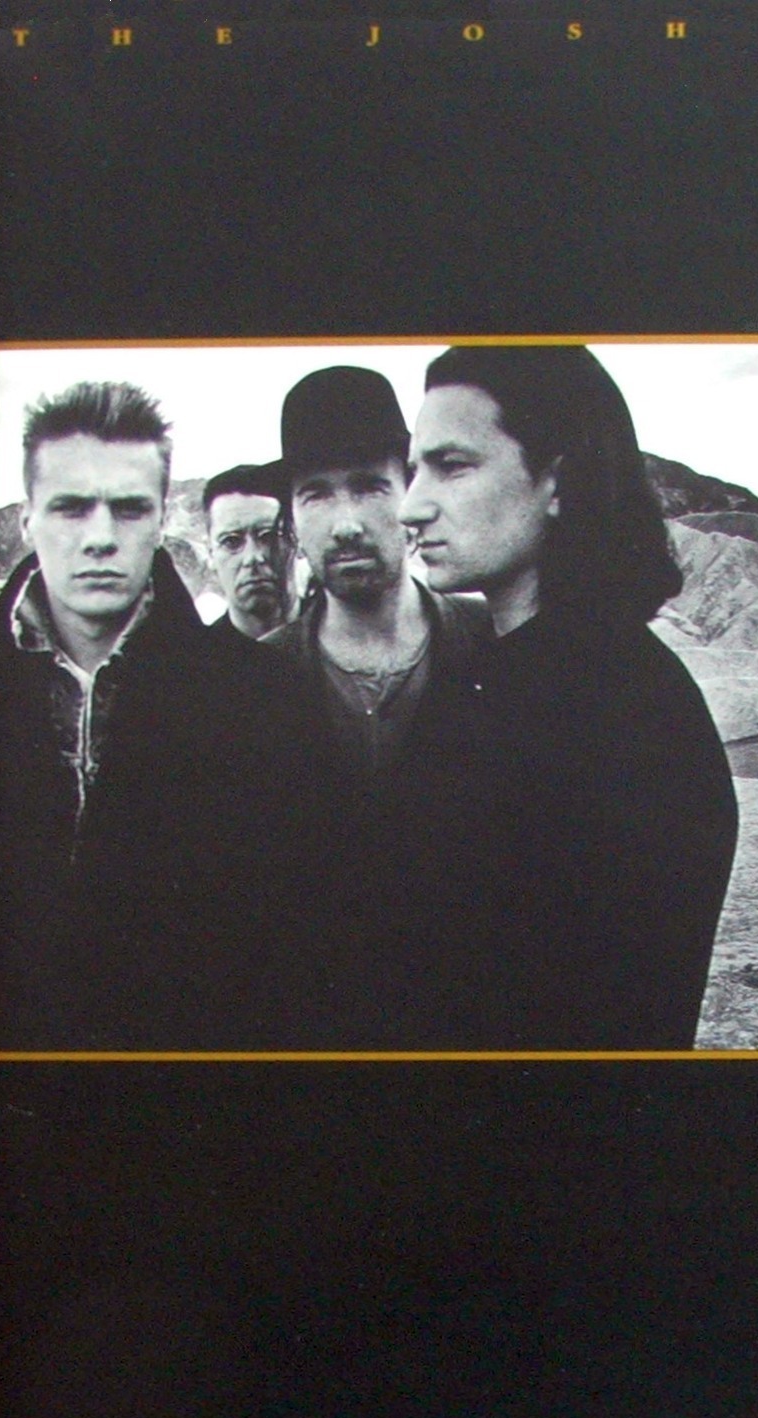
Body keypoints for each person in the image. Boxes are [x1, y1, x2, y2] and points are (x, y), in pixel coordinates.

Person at [398, 344, 738, 1049]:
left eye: (451, 465)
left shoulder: (621, 709)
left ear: (557, 481)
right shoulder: (510, 677)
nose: (412, 506)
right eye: (412, 470)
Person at [0, 382, 310, 1048]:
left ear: (162, 520)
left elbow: (279, 945)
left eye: (130, 508)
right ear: (27, 521)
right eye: (71, 508)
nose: (101, 538)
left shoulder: (259, 697)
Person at [262, 365, 491, 1045]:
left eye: (370, 486)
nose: (346, 524)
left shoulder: (495, 648)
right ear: (291, 517)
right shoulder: (251, 682)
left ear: (411, 491)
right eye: (315, 494)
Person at [202, 461, 296, 642]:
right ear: (210, 554)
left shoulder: (340, 641)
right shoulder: (197, 656)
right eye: (231, 541)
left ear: (296, 540)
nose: (253, 558)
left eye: (269, 537)